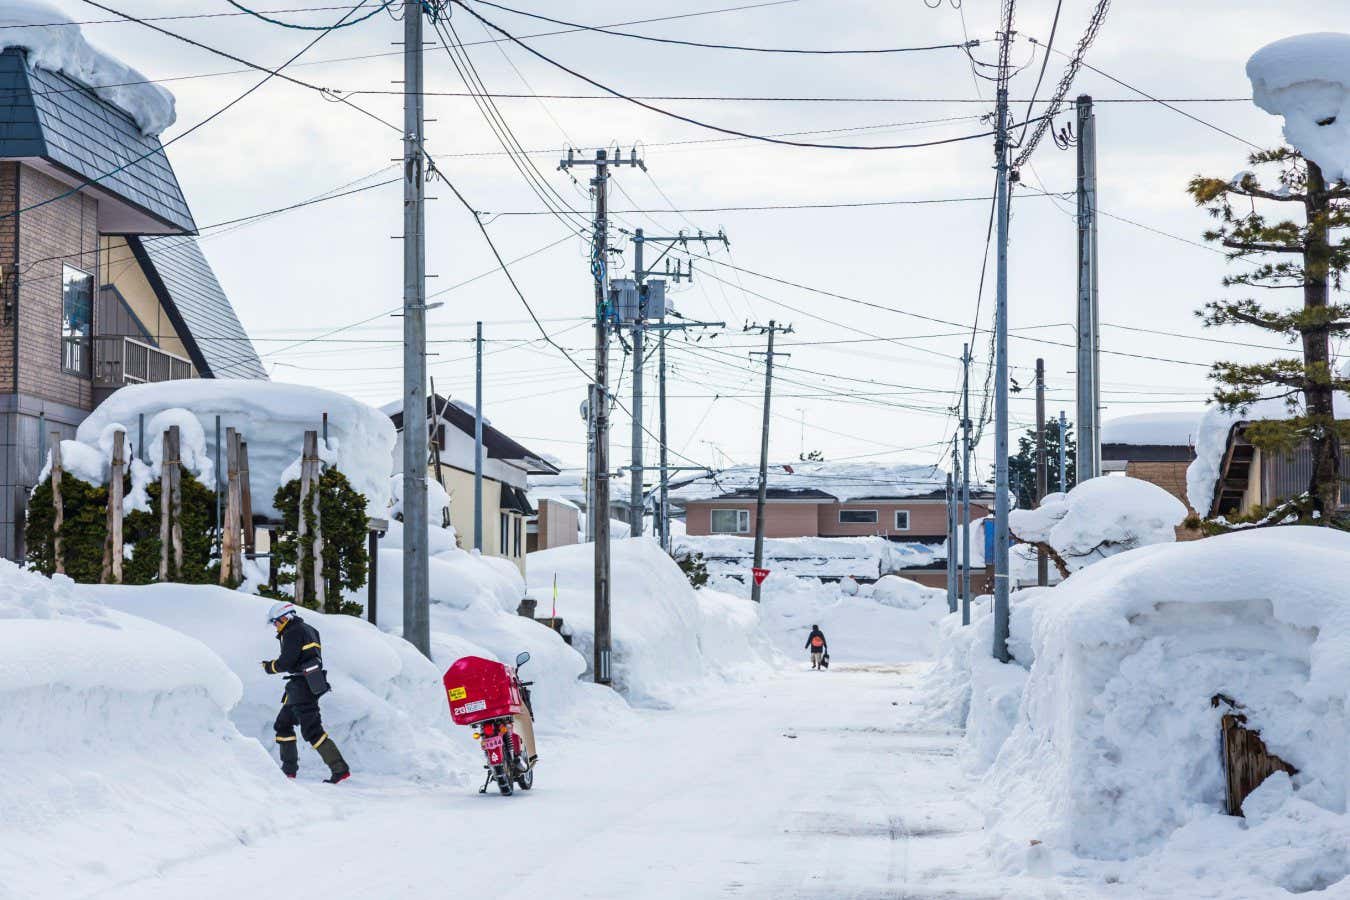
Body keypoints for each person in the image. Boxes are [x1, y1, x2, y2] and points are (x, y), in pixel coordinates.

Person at [262, 601, 350, 784]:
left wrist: (269, 667)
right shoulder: (309, 629)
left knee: (312, 731)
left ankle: (339, 769)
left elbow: (286, 662)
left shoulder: (293, 632)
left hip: (302, 687)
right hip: (305, 684)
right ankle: (288, 770)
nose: (275, 626)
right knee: (283, 724)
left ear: (285, 618)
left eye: (276, 622)